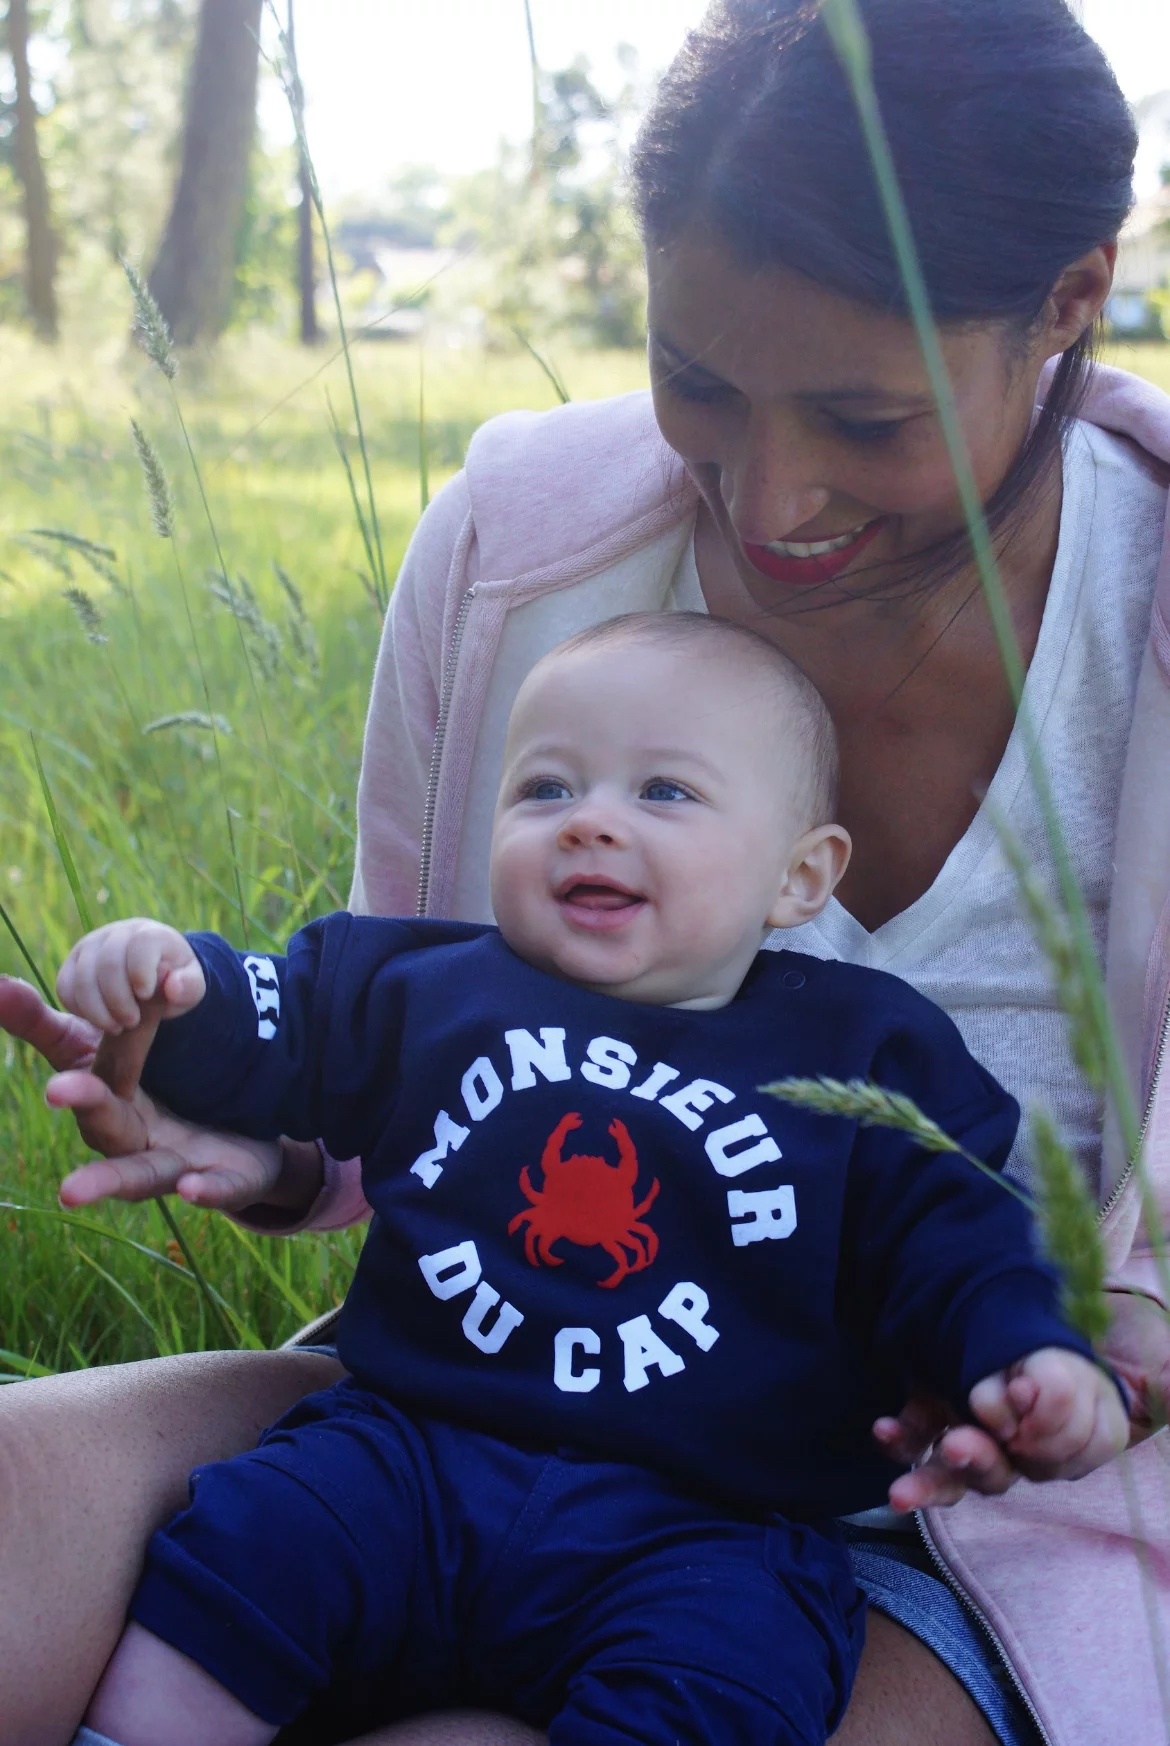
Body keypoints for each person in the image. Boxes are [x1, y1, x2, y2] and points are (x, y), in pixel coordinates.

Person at [2, 0, 1169, 1742]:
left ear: (1070, 299)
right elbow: (396, 1031)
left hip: (955, 1518)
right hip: (465, 1405)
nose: (771, 499)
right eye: (699, 379)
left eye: (862, 414)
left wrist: (1088, 1363)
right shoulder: (508, 551)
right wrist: (258, 1139)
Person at [50, 617, 1125, 1746]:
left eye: (664, 793)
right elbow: (278, 1021)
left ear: (800, 875)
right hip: (409, 1450)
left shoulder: (864, 1056)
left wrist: (1029, 1352)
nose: (593, 821)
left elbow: (961, 1235)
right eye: (546, 789)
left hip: (708, 1528)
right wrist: (170, 986)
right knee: (252, 1541)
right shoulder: (439, 984)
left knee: (733, 1684)